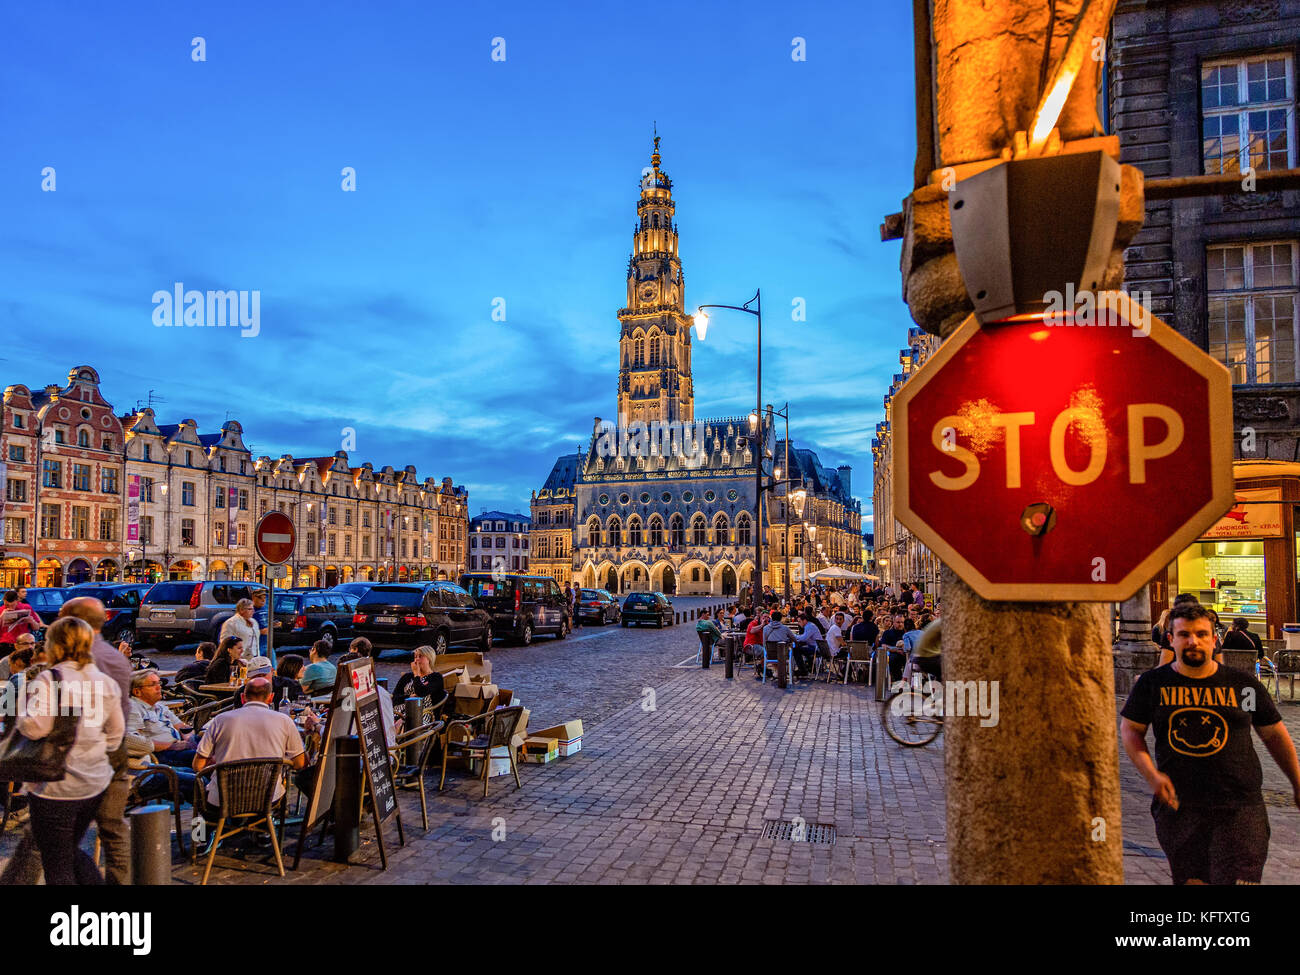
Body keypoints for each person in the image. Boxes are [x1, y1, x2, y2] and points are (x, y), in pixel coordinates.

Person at [1121, 602, 1300, 885]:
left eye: (1202, 634)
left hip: (1240, 807)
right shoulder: (1154, 685)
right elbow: (1131, 730)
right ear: (1171, 639)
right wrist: (1150, 774)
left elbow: (1275, 735)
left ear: (1214, 639)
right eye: (1184, 635)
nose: (1194, 641)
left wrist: (1297, 783)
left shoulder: (1243, 686)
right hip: (1180, 807)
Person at [15, 617, 124, 885]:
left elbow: (36, 727)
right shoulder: (104, 680)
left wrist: (21, 716)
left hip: (56, 783)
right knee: (68, 851)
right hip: (94, 781)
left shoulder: (51, 678)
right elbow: (116, 734)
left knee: (58, 863)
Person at [57, 596, 133, 886]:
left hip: (80, 752)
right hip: (115, 748)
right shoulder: (115, 657)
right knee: (114, 829)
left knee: (59, 835)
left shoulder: (74, 659)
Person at [193, 677, 312, 809]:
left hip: (222, 801)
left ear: (243, 698)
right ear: (271, 698)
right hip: (268, 800)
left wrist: (219, 761)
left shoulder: (220, 720)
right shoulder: (284, 721)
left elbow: (198, 765)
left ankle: (212, 828)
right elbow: (300, 763)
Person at [124, 671, 199, 799]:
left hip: (177, 746)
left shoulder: (159, 706)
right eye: (153, 684)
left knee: (212, 745)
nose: (159, 687)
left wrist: (189, 738)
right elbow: (137, 742)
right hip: (161, 754)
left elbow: (181, 726)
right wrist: (171, 746)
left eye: (159, 683)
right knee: (201, 766)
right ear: (137, 692)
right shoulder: (133, 708)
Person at [393, 644, 449, 721]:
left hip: (424, 713)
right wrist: (409, 697)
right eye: (415, 657)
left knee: (403, 723)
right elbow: (395, 697)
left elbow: (421, 692)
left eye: (420, 656)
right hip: (401, 710)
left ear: (429, 659)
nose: (417, 660)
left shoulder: (436, 677)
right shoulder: (407, 676)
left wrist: (417, 675)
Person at [219, 599, 261, 665]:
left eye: (253, 609)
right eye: (249, 609)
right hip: (238, 658)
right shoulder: (230, 623)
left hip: (254, 658)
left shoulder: (254, 622)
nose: (253, 611)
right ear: (241, 610)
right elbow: (224, 642)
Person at [758, 610, 797, 680]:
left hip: (770, 655)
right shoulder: (785, 628)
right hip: (784, 655)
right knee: (791, 650)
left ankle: (778, 672)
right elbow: (794, 639)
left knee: (773, 651)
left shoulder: (765, 628)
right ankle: (785, 672)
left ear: (771, 618)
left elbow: (764, 643)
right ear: (781, 619)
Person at [793, 612, 821, 677]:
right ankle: (804, 668)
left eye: (799, 621)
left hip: (816, 648)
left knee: (796, 650)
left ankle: (803, 670)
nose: (798, 623)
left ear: (804, 620)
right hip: (813, 646)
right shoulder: (808, 626)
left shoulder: (809, 626)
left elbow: (804, 638)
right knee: (798, 648)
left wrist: (794, 636)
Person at [250, 590, 272, 665]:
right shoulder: (250, 610)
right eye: (260, 598)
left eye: (264, 598)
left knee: (272, 666)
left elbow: (267, 622)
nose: (263, 600)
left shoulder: (265, 608)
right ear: (253, 598)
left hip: (267, 642)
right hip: (256, 645)